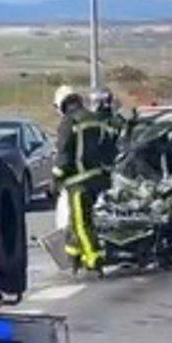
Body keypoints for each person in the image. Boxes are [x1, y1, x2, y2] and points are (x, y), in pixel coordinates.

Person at [52, 86, 122, 270]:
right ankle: (74, 255)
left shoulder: (68, 122)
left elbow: (63, 156)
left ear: (62, 105)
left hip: (78, 182)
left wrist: (55, 182)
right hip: (100, 179)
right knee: (84, 220)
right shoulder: (94, 119)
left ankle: (93, 257)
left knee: (81, 222)